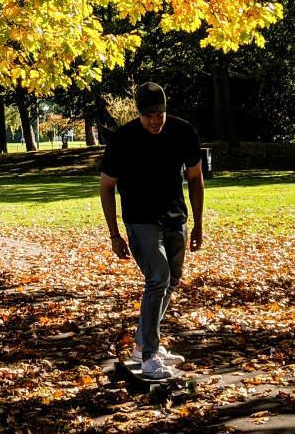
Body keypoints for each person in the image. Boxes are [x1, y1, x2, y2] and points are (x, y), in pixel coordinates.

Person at [99, 82, 205, 379]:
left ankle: (143, 342)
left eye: (159, 113)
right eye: (148, 115)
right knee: (158, 278)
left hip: (175, 218)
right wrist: (114, 234)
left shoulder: (184, 132)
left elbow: (195, 179)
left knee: (172, 279)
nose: (155, 120)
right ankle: (148, 357)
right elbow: (106, 188)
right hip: (140, 219)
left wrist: (197, 223)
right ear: (138, 113)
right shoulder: (123, 139)